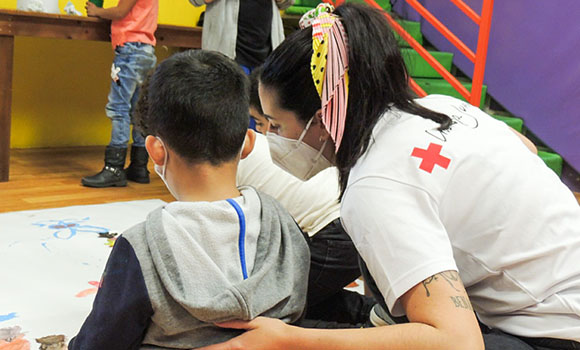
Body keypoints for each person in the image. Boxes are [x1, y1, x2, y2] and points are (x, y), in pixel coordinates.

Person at [199, 3, 580, 350]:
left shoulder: (375, 185)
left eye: (278, 126)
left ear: (321, 120)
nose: (273, 140)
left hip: (556, 331)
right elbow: (526, 151)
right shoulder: (439, 107)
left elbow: (457, 342)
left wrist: (291, 340)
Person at [68, 50, 310, 349]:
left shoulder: (142, 246)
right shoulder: (285, 226)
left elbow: (100, 343)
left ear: (156, 151)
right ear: (248, 143)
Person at [240, 72, 373, 325]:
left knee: (268, 311)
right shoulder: (303, 149)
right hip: (349, 226)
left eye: (268, 123)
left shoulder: (258, 150)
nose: (265, 131)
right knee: (299, 299)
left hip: (333, 234)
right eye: (258, 123)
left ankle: (371, 328)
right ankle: (371, 316)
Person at [82, 0, 158, 188]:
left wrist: (96, 10)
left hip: (129, 50)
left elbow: (120, 12)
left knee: (118, 108)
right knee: (137, 110)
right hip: (145, 50)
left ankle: (114, 168)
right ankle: (139, 167)